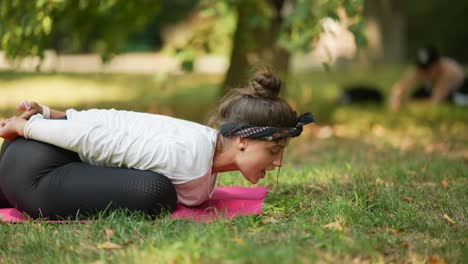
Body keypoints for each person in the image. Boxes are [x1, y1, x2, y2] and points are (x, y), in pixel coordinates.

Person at [0, 70, 315, 219]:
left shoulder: (203, 140)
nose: (278, 162)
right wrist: (31, 126)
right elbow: (97, 139)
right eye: (274, 150)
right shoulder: (184, 155)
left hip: (39, 155)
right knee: (155, 191)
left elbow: (124, 120)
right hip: (35, 170)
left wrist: (54, 113)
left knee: (156, 188)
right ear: (244, 141)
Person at [389, 46, 468, 110]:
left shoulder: (449, 72)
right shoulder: (420, 69)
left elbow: (435, 103)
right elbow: (400, 87)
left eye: (427, 68)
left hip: (456, 91)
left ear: (438, 64)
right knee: (417, 96)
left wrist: (406, 104)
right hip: (431, 89)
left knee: (454, 101)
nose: (423, 72)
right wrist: (394, 98)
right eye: (422, 67)